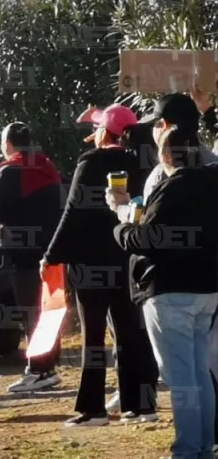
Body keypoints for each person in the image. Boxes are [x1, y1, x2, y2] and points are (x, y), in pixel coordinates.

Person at [111, 126, 218, 459]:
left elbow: (149, 239)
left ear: (165, 155)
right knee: (199, 374)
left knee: (181, 377)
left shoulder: (172, 189)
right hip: (207, 290)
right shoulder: (211, 185)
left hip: (171, 290)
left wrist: (121, 221)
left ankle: (187, 455)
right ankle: (203, 451)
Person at [43, 104, 158, 427]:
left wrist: (51, 255)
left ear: (104, 131)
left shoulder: (90, 162)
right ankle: (141, 406)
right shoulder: (139, 162)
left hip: (90, 262)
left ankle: (93, 409)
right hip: (127, 257)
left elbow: (73, 213)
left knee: (93, 336)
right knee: (130, 332)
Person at [0, 122, 65, 394]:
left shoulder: (11, 170)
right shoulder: (47, 167)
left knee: (31, 312)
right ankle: (49, 365)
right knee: (48, 311)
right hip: (52, 250)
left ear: (7, 144)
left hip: (24, 254)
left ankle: (38, 370)